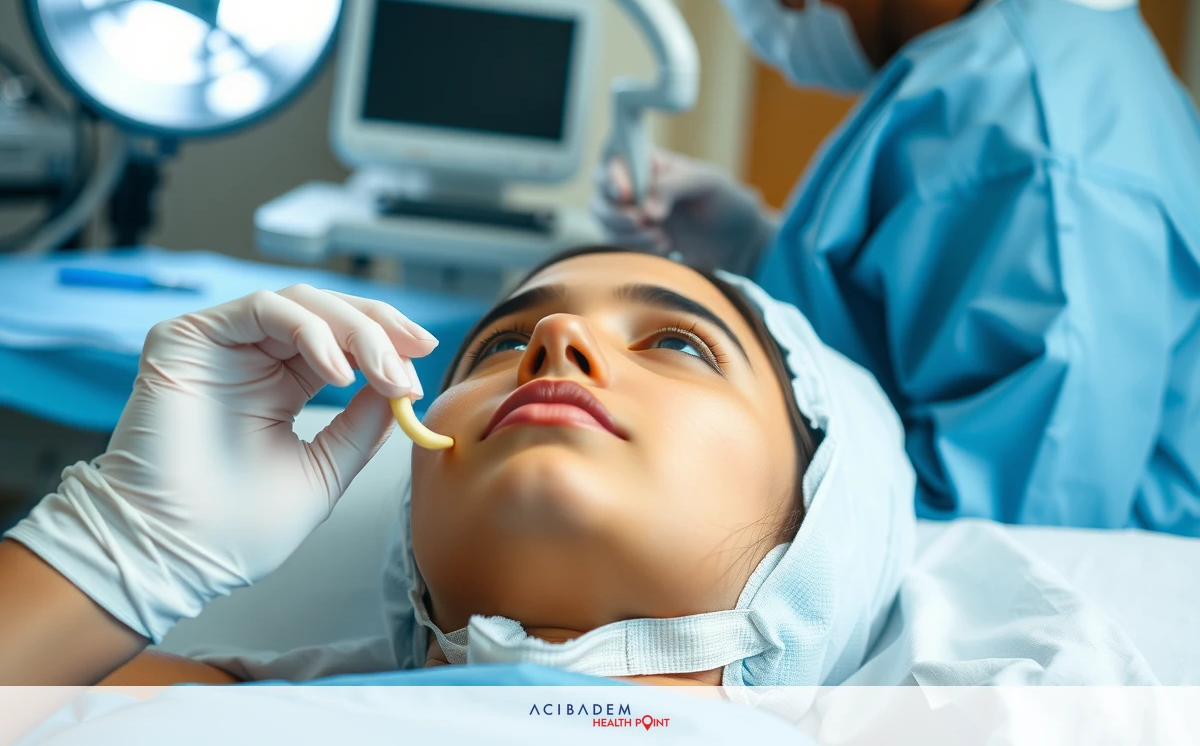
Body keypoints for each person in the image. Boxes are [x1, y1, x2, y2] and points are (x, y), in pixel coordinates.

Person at [0, 248, 917, 687]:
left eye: (677, 343)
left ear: (824, 507)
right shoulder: (193, 711)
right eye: (499, 346)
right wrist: (120, 549)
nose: (556, 340)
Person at [595, 0, 1200, 533]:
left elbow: (1014, 531)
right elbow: (929, 308)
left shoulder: (1039, 134)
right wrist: (753, 247)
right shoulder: (1011, 67)